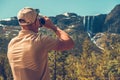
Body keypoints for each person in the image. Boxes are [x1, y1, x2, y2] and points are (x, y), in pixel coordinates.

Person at [7, 7, 74, 80]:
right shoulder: (40, 40)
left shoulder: (12, 43)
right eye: (38, 19)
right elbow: (69, 43)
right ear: (35, 22)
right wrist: (53, 27)